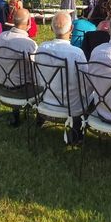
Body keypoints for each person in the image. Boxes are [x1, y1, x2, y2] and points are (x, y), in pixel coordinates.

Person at [35, 11, 88, 143]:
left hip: (45, 101)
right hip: (70, 106)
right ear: (71, 29)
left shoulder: (41, 48)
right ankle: (77, 132)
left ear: (51, 28)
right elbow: (85, 85)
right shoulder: (77, 53)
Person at [0, 9, 38, 126]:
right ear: (28, 23)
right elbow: (37, 71)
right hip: (23, 92)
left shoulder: (1, 37)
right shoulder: (28, 44)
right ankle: (41, 117)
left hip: (2, 88)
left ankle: (15, 113)